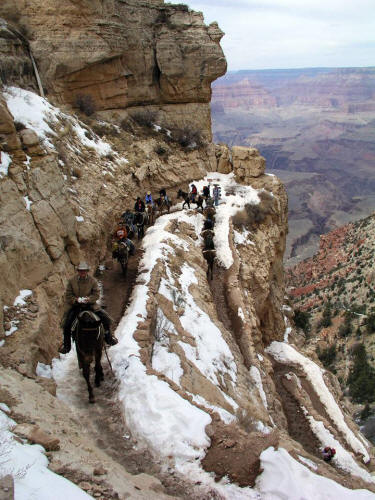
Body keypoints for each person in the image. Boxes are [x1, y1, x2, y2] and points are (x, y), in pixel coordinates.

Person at [59, 262, 118, 354]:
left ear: (87, 271)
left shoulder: (92, 281)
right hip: (76, 306)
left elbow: (96, 294)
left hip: (90, 305)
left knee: (105, 319)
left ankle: (108, 338)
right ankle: (67, 346)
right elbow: (68, 295)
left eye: (84, 271)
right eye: (80, 271)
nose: (82, 273)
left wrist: (88, 299)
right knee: (66, 324)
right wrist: (76, 300)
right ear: (78, 271)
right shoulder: (72, 281)